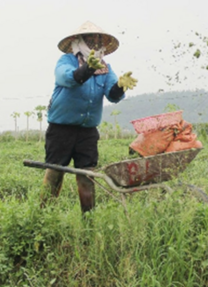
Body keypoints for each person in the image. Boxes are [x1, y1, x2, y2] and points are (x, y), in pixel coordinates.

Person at [40, 21, 138, 213]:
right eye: (90, 39)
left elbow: (112, 94)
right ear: (79, 41)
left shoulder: (105, 68)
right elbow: (67, 78)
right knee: (55, 171)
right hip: (62, 129)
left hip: (87, 132)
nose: (95, 43)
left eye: (98, 40)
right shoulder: (66, 61)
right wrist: (87, 69)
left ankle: (88, 218)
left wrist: (119, 86)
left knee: (87, 174)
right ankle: (44, 216)